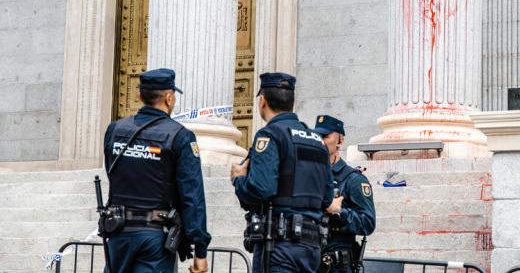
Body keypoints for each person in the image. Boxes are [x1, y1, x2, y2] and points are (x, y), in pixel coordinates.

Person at [102, 68, 210, 273]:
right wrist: (200, 250)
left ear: (138, 95)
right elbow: (192, 196)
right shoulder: (180, 136)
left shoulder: (114, 130)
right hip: (155, 238)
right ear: (169, 98)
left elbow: (112, 172)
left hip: (118, 234)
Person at [230, 72, 334, 273]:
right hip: (311, 247)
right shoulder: (317, 142)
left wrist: (239, 179)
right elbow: (327, 197)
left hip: (279, 245)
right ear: (292, 102)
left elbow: (260, 188)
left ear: (262, 101)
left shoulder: (270, 135)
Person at [314, 115, 376, 273]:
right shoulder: (308, 177)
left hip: (337, 266)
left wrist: (338, 212)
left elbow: (368, 223)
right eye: (317, 136)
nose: (320, 141)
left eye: (325, 136)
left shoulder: (353, 179)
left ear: (340, 140)